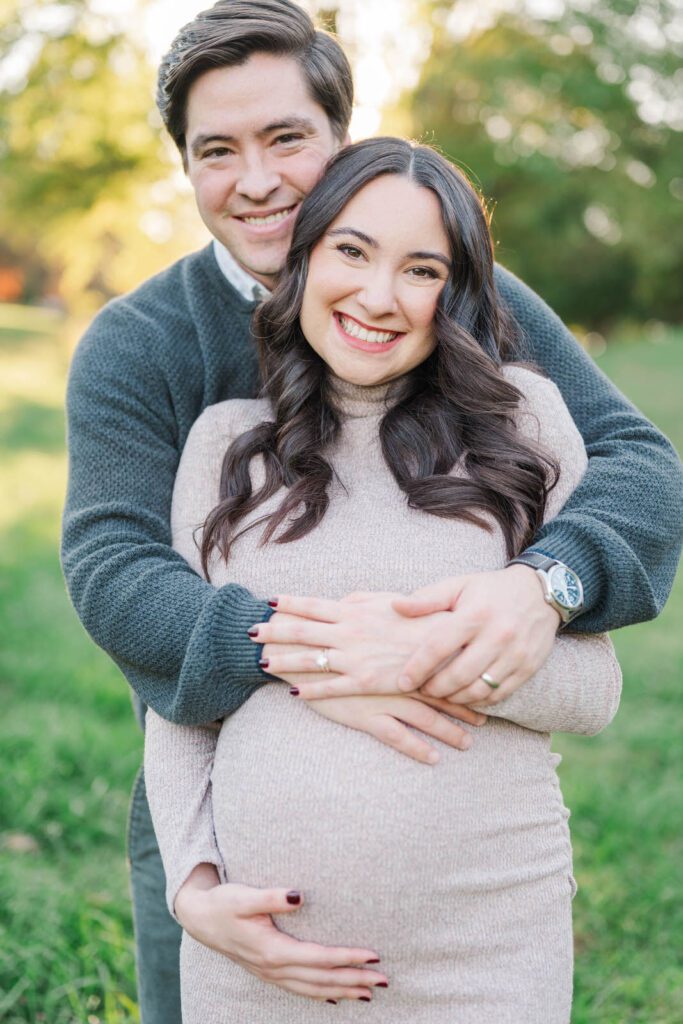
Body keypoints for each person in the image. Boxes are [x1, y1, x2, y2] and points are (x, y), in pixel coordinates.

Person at [59, 1, 682, 1021]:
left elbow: (635, 461)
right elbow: (113, 567)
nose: (254, 180)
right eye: (217, 149)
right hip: (219, 829)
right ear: (182, 165)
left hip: (472, 894)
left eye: (286, 139)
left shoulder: (456, 292)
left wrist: (546, 583)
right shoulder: (142, 342)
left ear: (341, 142)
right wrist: (309, 652)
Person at [144, 137, 622, 1022]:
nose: (376, 295)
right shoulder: (222, 444)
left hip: (488, 946)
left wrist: (405, 654)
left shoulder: (523, 423)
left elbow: (591, 689)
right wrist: (192, 883)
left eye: (420, 269)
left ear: (459, 291)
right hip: (261, 957)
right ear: (303, 257)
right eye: (351, 251)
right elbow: (179, 694)